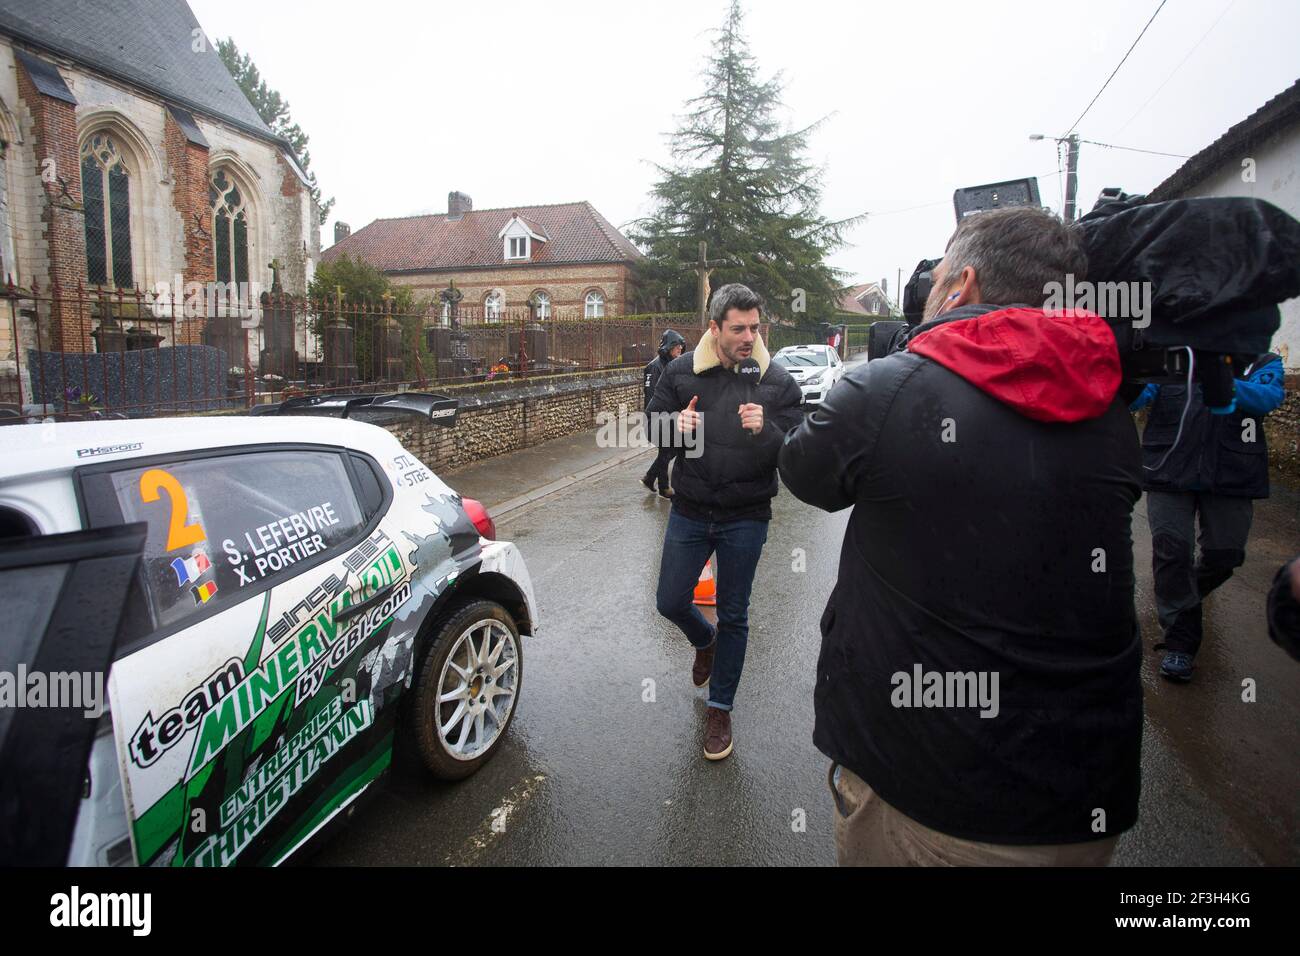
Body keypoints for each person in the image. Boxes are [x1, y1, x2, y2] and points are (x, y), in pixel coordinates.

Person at [779, 207, 1142, 865]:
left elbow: (805, 471)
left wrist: (893, 368)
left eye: (940, 276)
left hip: (933, 799)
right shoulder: (1109, 405)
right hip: (1085, 796)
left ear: (963, 284)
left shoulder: (889, 387)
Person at [647, 283, 803, 761]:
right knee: (670, 600)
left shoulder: (775, 380)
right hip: (692, 508)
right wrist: (675, 428)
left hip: (747, 515)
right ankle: (703, 639)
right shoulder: (680, 372)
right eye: (738, 328)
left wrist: (769, 431)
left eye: (754, 328)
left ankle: (720, 708)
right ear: (714, 328)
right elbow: (648, 425)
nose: (748, 337)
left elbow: (801, 443)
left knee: (735, 613)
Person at [1129, 352, 1286, 681]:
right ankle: (1180, 644)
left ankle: (1181, 598)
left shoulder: (1262, 360)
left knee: (1225, 555)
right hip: (1168, 469)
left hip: (1232, 473)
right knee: (1172, 553)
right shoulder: (1169, 358)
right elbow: (1138, 397)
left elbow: (1268, 398)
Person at [641, 329, 687, 498]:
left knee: (669, 450)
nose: (680, 351)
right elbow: (651, 396)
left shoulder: (671, 365)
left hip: (670, 416)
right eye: (677, 348)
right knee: (668, 450)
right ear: (669, 347)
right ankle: (662, 486)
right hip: (657, 417)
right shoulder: (654, 367)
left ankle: (651, 479)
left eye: (681, 348)